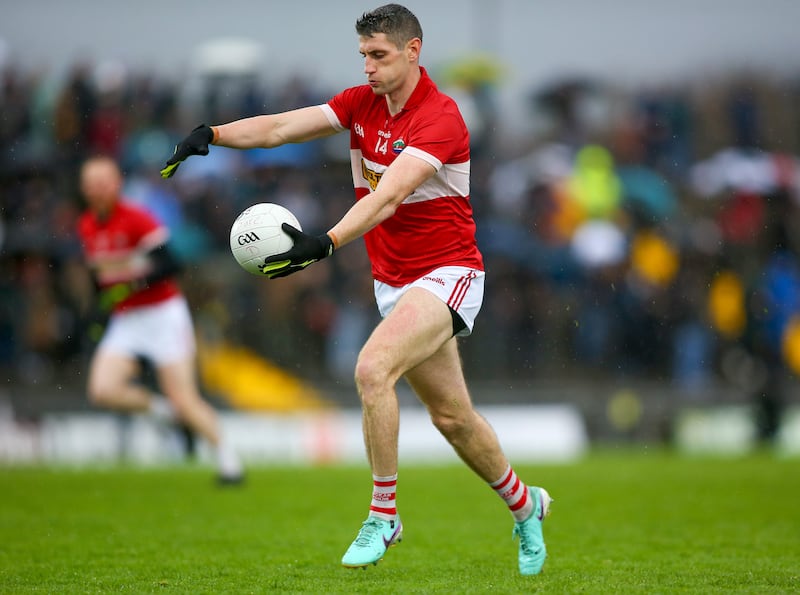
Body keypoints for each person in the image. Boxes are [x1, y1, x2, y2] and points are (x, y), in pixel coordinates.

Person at [161, 3, 550, 575]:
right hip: (394, 283)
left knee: (372, 370)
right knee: (453, 419)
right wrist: (213, 134)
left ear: (413, 52)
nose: (367, 67)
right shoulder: (361, 103)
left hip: (449, 274)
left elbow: (389, 195)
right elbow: (278, 127)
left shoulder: (441, 117)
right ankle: (526, 507)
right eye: (363, 55)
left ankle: (384, 515)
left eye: (379, 55)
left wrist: (326, 242)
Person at [77, 155, 244, 485]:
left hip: (163, 315)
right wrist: (98, 312)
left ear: (117, 185)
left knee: (184, 396)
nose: (97, 190)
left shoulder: (137, 219)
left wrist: (130, 284)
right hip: (127, 320)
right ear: (84, 189)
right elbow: (100, 278)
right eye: (91, 184)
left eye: (103, 182)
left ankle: (229, 462)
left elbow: (171, 264)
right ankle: (165, 415)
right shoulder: (86, 225)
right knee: (102, 390)